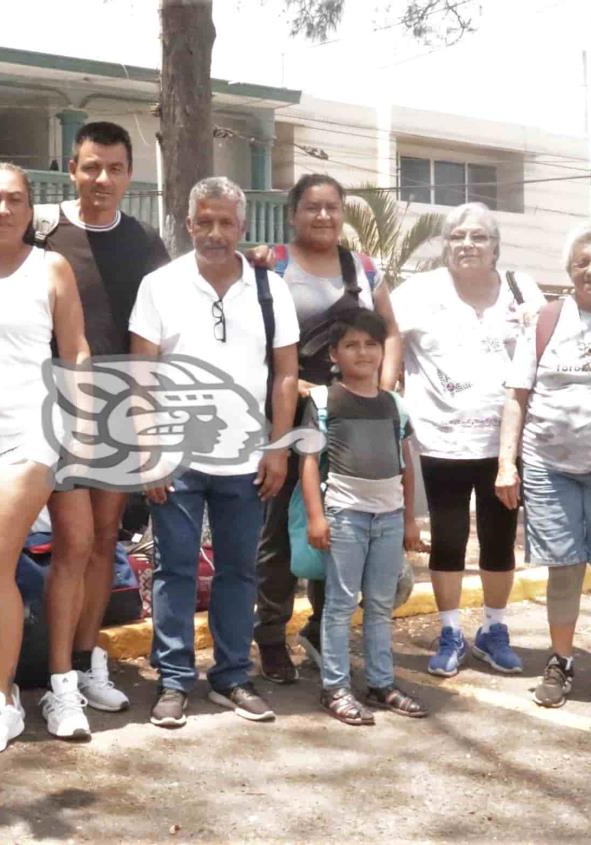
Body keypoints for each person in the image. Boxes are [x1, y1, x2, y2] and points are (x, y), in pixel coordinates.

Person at [0, 122, 170, 720]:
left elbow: (174, 306)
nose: (103, 179)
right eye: (92, 166)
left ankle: (84, 663)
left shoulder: (145, 241)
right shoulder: (46, 230)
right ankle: (16, 677)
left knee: (96, 543)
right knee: (42, 546)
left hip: (108, 407)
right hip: (39, 413)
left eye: (116, 168)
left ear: (127, 176)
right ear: (72, 168)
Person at [130, 176, 299, 728]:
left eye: (226, 222)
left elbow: (286, 375)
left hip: (246, 461)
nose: (216, 233)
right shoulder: (160, 285)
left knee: (238, 572)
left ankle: (231, 676)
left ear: (243, 227)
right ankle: (174, 680)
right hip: (177, 458)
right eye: (205, 221)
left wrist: (277, 448)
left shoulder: (270, 290)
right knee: (174, 570)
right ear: (188, 224)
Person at [0, 163, 88, 755]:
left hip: (26, 437)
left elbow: (75, 347)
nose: (3, 210)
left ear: (32, 211)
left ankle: (0, 698)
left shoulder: (50, 267)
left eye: (15, 201)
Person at [250, 173, 404, 685]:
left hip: (345, 411)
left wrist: (377, 394)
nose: (323, 216)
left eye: (332, 207)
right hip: (286, 410)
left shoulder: (362, 269)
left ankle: (320, 627)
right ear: (292, 213)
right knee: (278, 524)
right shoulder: (271, 262)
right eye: (312, 207)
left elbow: (390, 332)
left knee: (336, 521)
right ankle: (270, 635)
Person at [496, 225, 591, 713]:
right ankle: (560, 661)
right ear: (568, 271)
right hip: (549, 466)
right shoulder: (544, 320)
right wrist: (507, 463)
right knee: (563, 568)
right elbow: (517, 396)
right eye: (582, 262)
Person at [390, 201, 544, 678]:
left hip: (504, 444)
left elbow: (543, 353)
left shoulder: (522, 290)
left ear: (495, 245)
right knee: (450, 539)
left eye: (478, 237)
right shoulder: (418, 291)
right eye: (457, 237)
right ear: (445, 245)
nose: (467, 245)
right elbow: (390, 341)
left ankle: (494, 629)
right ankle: (452, 631)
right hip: (441, 441)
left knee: (499, 540)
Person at [299, 308, 426, 724]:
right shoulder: (322, 400)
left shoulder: (394, 405)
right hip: (345, 517)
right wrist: (318, 518)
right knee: (337, 605)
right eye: (351, 345)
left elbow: (404, 464)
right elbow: (309, 463)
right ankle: (335, 687)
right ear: (334, 354)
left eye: (371, 344)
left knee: (379, 605)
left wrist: (409, 521)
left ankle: (380, 682)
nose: (363, 352)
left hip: (388, 519)